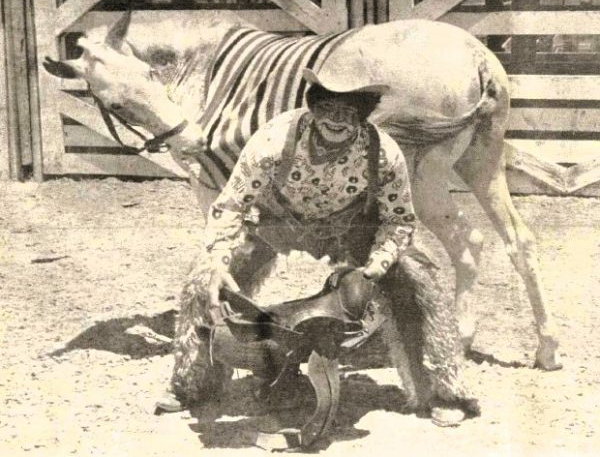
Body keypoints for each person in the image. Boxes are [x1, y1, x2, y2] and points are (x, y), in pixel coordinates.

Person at [157, 68, 479, 426]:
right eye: (327, 108)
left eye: (348, 112)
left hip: (350, 226)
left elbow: (399, 220)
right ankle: (191, 384)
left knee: (417, 281)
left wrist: (375, 266)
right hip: (276, 222)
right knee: (205, 280)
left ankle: (441, 391)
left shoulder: (384, 154)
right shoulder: (273, 141)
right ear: (312, 107)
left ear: (361, 115)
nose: (336, 120)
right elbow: (231, 206)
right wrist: (218, 260)